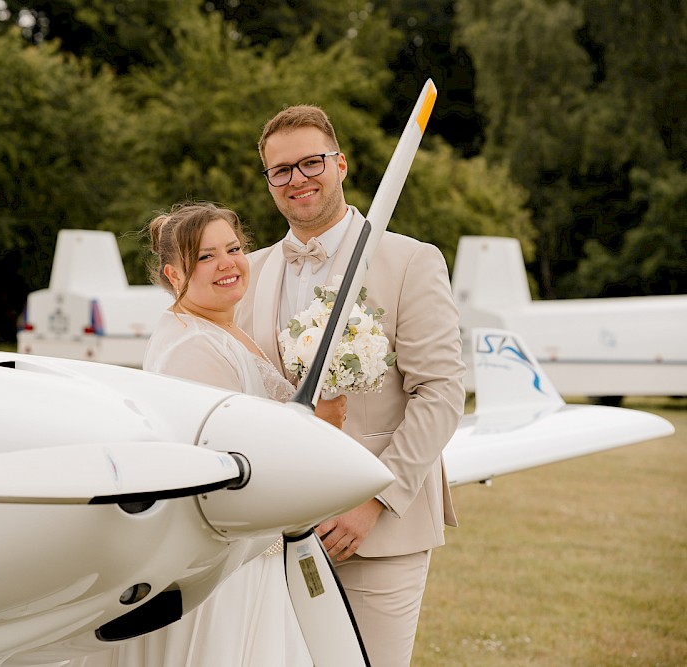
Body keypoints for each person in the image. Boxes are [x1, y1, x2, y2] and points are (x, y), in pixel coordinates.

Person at [236, 104, 466, 667]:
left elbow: (440, 394)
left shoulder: (411, 260)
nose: (297, 179)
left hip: (378, 534)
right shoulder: (252, 271)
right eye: (280, 171)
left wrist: (374, 500)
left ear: (340, 164)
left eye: (310, 162)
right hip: (271, 534)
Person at [71, 201, 345, 667]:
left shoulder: (219, 329)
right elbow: (235, 462)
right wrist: (326, 420)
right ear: (174, 274)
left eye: (234, 249)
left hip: (249, 549)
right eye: (205, 256)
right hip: (226, 562)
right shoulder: (192, 347)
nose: (228, 264)